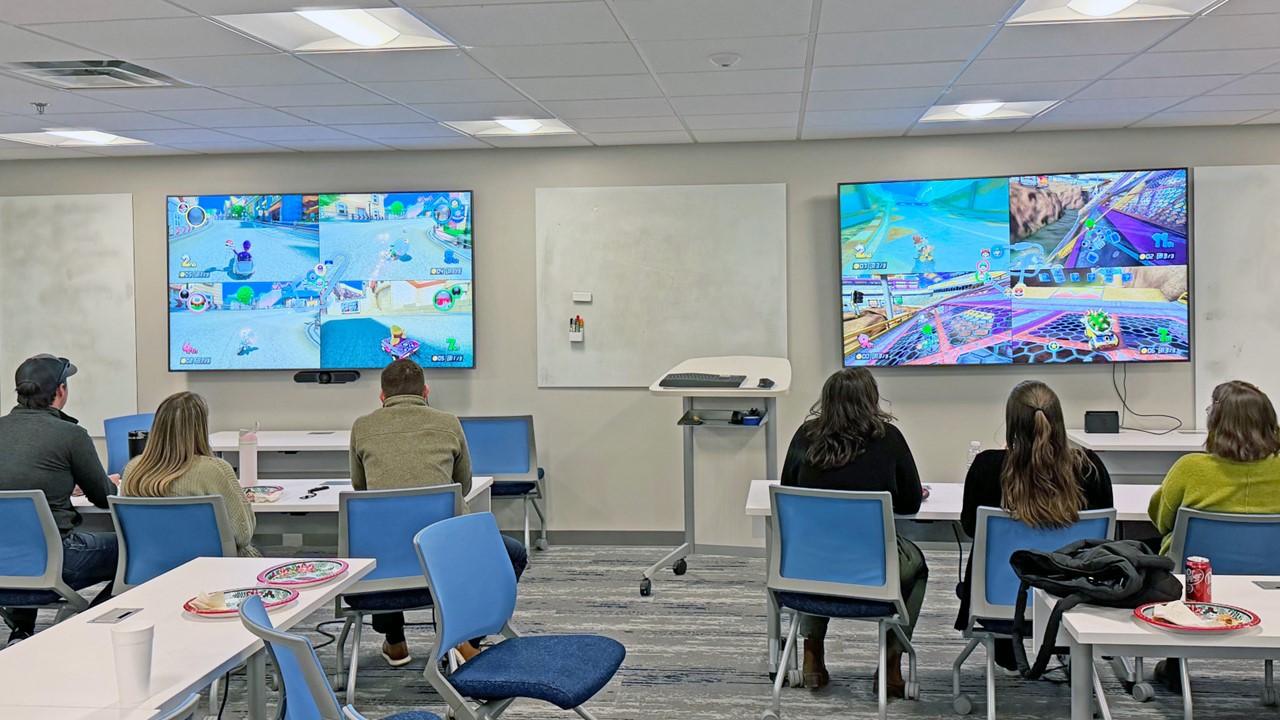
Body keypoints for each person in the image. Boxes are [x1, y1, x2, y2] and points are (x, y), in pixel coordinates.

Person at [350, 358, 528, 668]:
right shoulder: (449, 423)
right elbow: (463, 485)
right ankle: (466, 640)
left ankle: (395, 641)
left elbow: (361, 488)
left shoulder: (362, 427)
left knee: (377, 544)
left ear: (382, 396)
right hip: (444, 557)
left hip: (386, 566)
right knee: (514, 554)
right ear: (426, 392)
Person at [780, 367, 928, 697]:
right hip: (873, 568)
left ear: (827, 401)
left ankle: (812, 654)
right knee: (918, 568)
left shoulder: (804, 436)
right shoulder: (889, 439)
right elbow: (910, 502)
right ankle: (890, 664)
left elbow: (788, 491)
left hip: (812, 565)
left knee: (818, 560)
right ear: (871, 400)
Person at [957, 380, 1113, 671]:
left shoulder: (987, 467)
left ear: (1012, 423)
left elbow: (970, 528)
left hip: (997, 600)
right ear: (1058, 420)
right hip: (1073, 599)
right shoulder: (1090, 469)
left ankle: (1008, 642)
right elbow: (1103, 546)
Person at [1147, 380, 1280, 692]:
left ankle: (1175, 663)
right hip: (1272, 578)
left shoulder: (1190, 468)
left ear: (1216, 422)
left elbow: (1160, 519)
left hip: (1194, 580)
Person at [0, 355, 119, 643]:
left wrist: (63, 483)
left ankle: (21, 630)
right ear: (61, 390)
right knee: (133, 549)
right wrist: (110, 483)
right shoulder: (71, 435)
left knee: (20, 540)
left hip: (4, 567)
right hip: (57, 566)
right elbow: (104, 498)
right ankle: (87, 627)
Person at [120, 392, 259, 557]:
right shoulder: (214, 470)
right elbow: (243, 535)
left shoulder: (133, 470)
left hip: (151, 567)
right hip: (212, 566)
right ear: (200, 428)